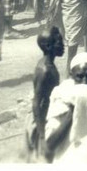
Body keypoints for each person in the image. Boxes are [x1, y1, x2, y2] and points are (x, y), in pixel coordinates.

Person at [29, 26, 65, 162]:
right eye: (59, 42)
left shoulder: (49, 65)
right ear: (48, 46)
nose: (63, 46)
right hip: (43, 121)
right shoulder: (45, 70)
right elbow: (37, 102)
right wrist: (43, 134)